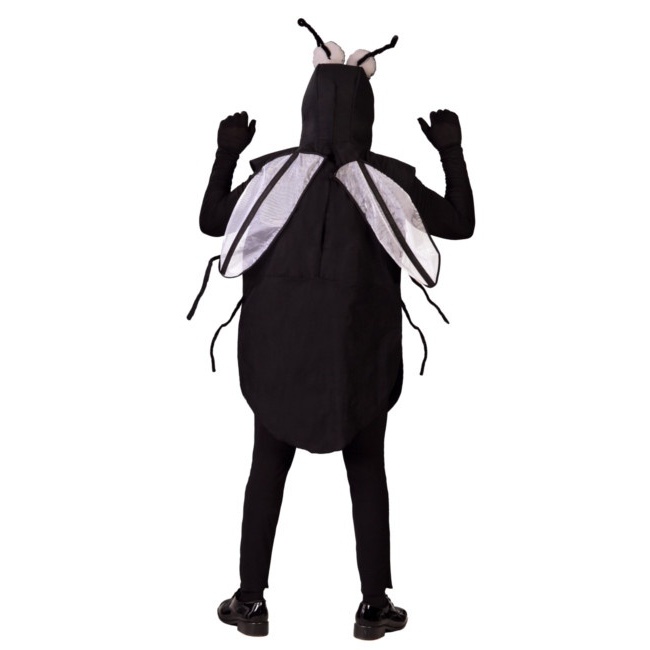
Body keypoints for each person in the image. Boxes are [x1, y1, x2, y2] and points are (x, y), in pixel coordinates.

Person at [191, 19, 475, 640]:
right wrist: (450, 152)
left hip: (278, 356)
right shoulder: (389, 182)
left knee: (267, 469)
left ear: (309, 101)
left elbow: (213, 220)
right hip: (359, 359)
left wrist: (226, 153)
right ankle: (374, 606)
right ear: (366, 108)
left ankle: (250, 601)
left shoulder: (270, 177)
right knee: (367, 471)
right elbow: (460, 223)